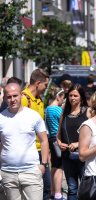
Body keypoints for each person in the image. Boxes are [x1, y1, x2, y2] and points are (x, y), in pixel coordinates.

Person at [0, 83, 49, 200]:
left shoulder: (33, 116)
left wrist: (43, 165)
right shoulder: (1, 118)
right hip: (8, 173)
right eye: (9, 97)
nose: (12, 99)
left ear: (21, 95)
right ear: (5, 98)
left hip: (31, 171)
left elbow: (44, 140)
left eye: (15, 96)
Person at [56, 84, 91, 200]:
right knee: (72, 189)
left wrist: (77, 144)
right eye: (70, 95)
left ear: (81, 97)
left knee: (86, 189)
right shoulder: (64, 113)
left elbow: (93, 135)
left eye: (75, 95)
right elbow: (58, 135)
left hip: (83, 156)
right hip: (68, 157)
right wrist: (60, 143)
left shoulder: (87, 112)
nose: (72, 98)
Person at [21, 68, 51, 200]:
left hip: (41, 152)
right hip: (28, 153)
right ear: (38, 83)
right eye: (45, 84)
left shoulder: (39, 99)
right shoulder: (22, 99)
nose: (46, 88)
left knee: (46, 188)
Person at [45, 86, 65, 200]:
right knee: (59, 167)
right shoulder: (58, 110)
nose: (63, 100)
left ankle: (53, 191)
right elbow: (63, 122)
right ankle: (58, 194)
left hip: (51, 139)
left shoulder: (47, 109)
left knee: (54, 165)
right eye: (63, 97)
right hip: (58, 139)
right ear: (58, 97)